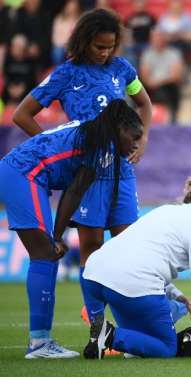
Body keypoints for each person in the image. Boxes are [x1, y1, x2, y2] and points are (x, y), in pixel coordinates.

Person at [12, 8, 152, 320]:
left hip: (121, 172)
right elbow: (22, 114)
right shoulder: (66, 73)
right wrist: (52, 147)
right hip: (86, 174)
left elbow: (144, 103)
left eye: (110, 47)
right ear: (84, 41)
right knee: (92, 248)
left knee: (129, 247)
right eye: (99, 47)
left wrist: (142, 140)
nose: (105, 53)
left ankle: (131, 321)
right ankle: (97, 322)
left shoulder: (122, 69)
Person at [0, 99, 144, 359]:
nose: (136, 144)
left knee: (47, 255)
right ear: (120, 128)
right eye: (134, 137)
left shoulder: (96, 134)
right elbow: (74, 192)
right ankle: (39, 344)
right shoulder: (99, 144)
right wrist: (56, 237)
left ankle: (40, 342)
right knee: (45, 255)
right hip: (24, 174)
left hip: (21, 173)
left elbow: (72, 191)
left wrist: (57, 236)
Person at [81, 172, 191, 359]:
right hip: (129, 285)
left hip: (92, 275)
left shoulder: (166, 211)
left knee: (139, 346)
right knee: (167, 347)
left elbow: (141, 257)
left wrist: (174, 293)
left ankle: (98, 337)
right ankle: (110, 335)